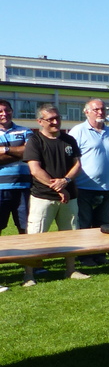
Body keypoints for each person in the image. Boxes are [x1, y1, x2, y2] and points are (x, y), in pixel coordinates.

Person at [22, 105, 89, 285]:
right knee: (35, 236)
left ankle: (71, 270)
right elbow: (35, 170)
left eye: (57, 118)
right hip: (42, 197)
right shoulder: (35, 141)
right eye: (50, 119)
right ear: (40, 121)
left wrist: (65, 181)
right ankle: (29, 275)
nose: (55, 122)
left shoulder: (69, 139)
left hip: (69, 196)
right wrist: (59, 188)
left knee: (71, 235)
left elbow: (77, 165)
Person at [68, 99, 109, 265]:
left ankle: (100, 254)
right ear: (86, 112)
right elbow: (70, 159)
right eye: (96, 109)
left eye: (103, 109)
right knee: (84, 224)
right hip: (83, 187)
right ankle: (85, 255)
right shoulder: (78, 131)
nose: (100, 112)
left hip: (106, 188)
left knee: (103, 224)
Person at [0, 100, 33, 289]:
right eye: (0, 111)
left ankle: (31, 268)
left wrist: (5, 150)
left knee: (25, 228)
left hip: (24, 187)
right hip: (0, 188)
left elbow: (30, 151)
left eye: (7, 110)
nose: (4, 114)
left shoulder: (24, 130)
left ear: (12, 111)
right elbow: (23, 152)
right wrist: (18, 152)